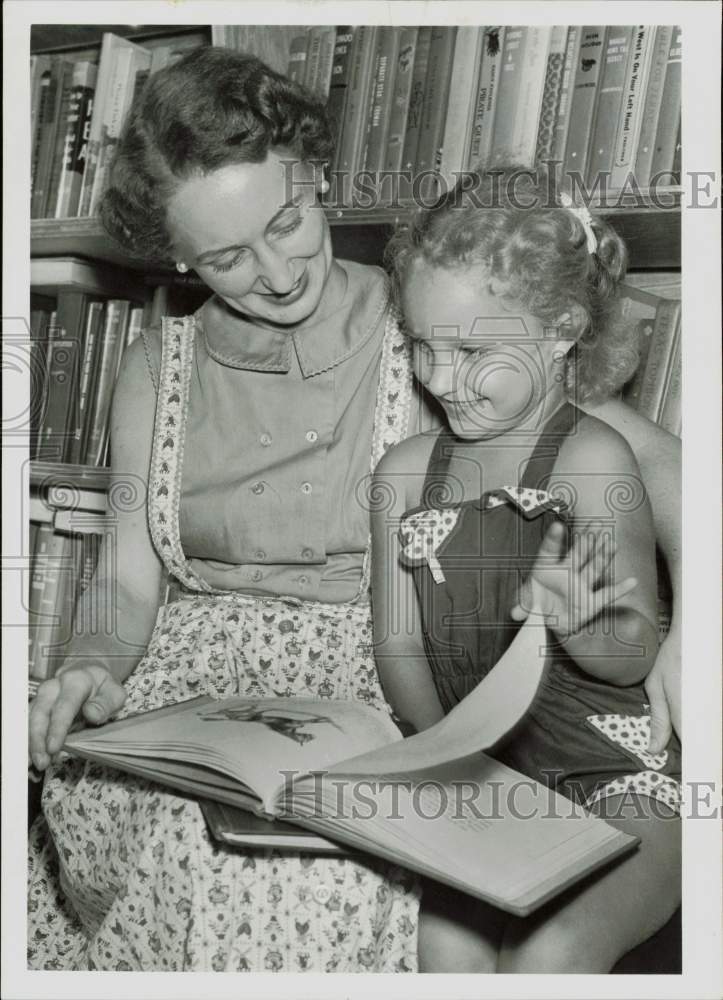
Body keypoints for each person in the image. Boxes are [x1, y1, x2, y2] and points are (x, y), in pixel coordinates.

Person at [27, 47, 680, 972]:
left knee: (262, 873)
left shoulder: (432, 326)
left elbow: (652, 469)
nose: (275, 271)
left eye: (287, 221)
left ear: (319, 178)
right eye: (223, 257)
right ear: (175, 256)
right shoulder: (152, 369)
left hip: (376, 698)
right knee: (178, 834)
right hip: (186, 711)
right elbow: (127, 583)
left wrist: (694, 631)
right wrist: (89, 663)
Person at [372, 166, 681, 972]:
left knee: (551, 954)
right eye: (420, 346)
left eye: (473, 350)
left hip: (612, 770)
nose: (440, 379)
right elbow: (398, 646)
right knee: (444, 950)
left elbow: (634, 654)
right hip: (484, 773)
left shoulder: (589, 460)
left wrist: (586, 622)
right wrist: (446, 756)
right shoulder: (404, 475)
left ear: (560, 331)